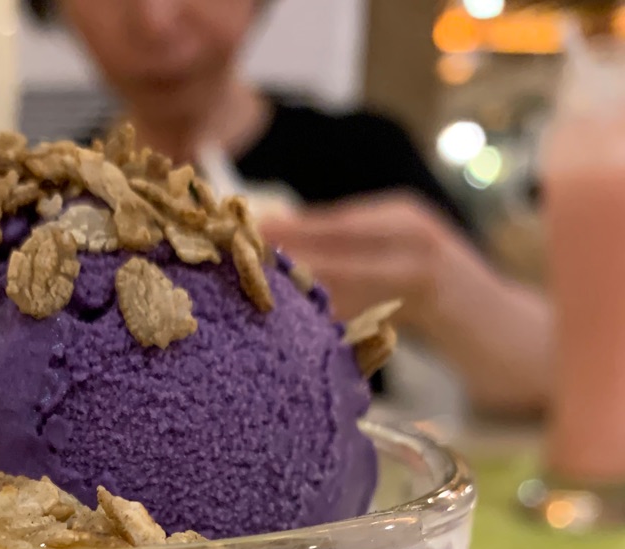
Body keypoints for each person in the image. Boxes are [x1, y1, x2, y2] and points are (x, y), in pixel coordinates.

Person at [29, 0, 552, 418]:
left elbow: (549, 373)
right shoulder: (44, 199)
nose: (155, 19)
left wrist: (439, 282)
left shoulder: (365, 158)